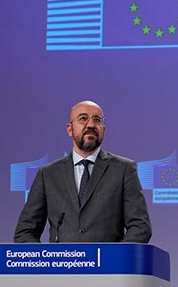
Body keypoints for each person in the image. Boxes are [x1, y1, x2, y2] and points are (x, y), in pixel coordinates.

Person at [14, 100, 152, 243]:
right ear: (69, 129)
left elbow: (140, 227)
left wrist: (114, 259)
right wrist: (46, 261)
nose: (91, 125)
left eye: (97, 120)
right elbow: (25, 232)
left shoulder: (124, 169)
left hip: (107, 264)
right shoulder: (47, 174)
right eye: (83, 118)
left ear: (103, 129)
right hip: (61, 264)